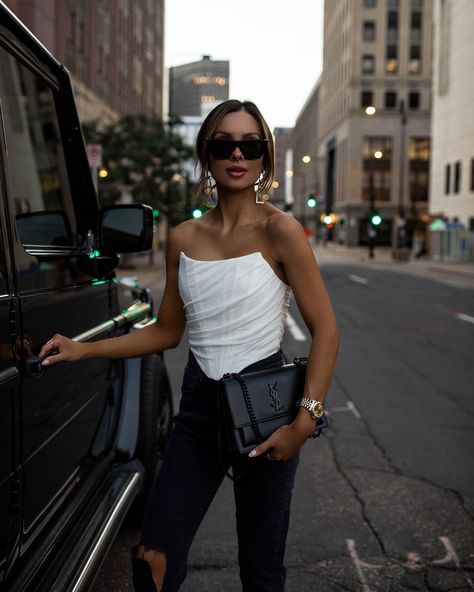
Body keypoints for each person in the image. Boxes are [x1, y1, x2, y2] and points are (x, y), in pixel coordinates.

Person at [39, 99, 340, 592]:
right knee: (151, 555)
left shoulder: (281, 230)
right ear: (206, 154)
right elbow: (166, 331)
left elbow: (326, 330)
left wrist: (304, 423)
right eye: (224, 144)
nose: (237, 154)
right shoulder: (182, 238)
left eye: (251, 144)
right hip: (198, 413)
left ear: (265, 155)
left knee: (261, 571)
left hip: (264, 413)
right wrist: (82, 348)